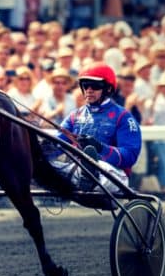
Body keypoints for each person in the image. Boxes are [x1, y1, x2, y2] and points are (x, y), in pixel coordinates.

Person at [45, 62, 142, 193]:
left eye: (95, 86)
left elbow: (130, 156)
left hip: (112, 175)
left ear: (108, 88)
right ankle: (84, 175)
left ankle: (89, 174)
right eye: (85, 85)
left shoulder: (123, 117)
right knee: (43, 164)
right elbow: (58, 144)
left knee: (97, 167)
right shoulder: (75, 116)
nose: (89, 90)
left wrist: (100, 148)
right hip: (76, 170)